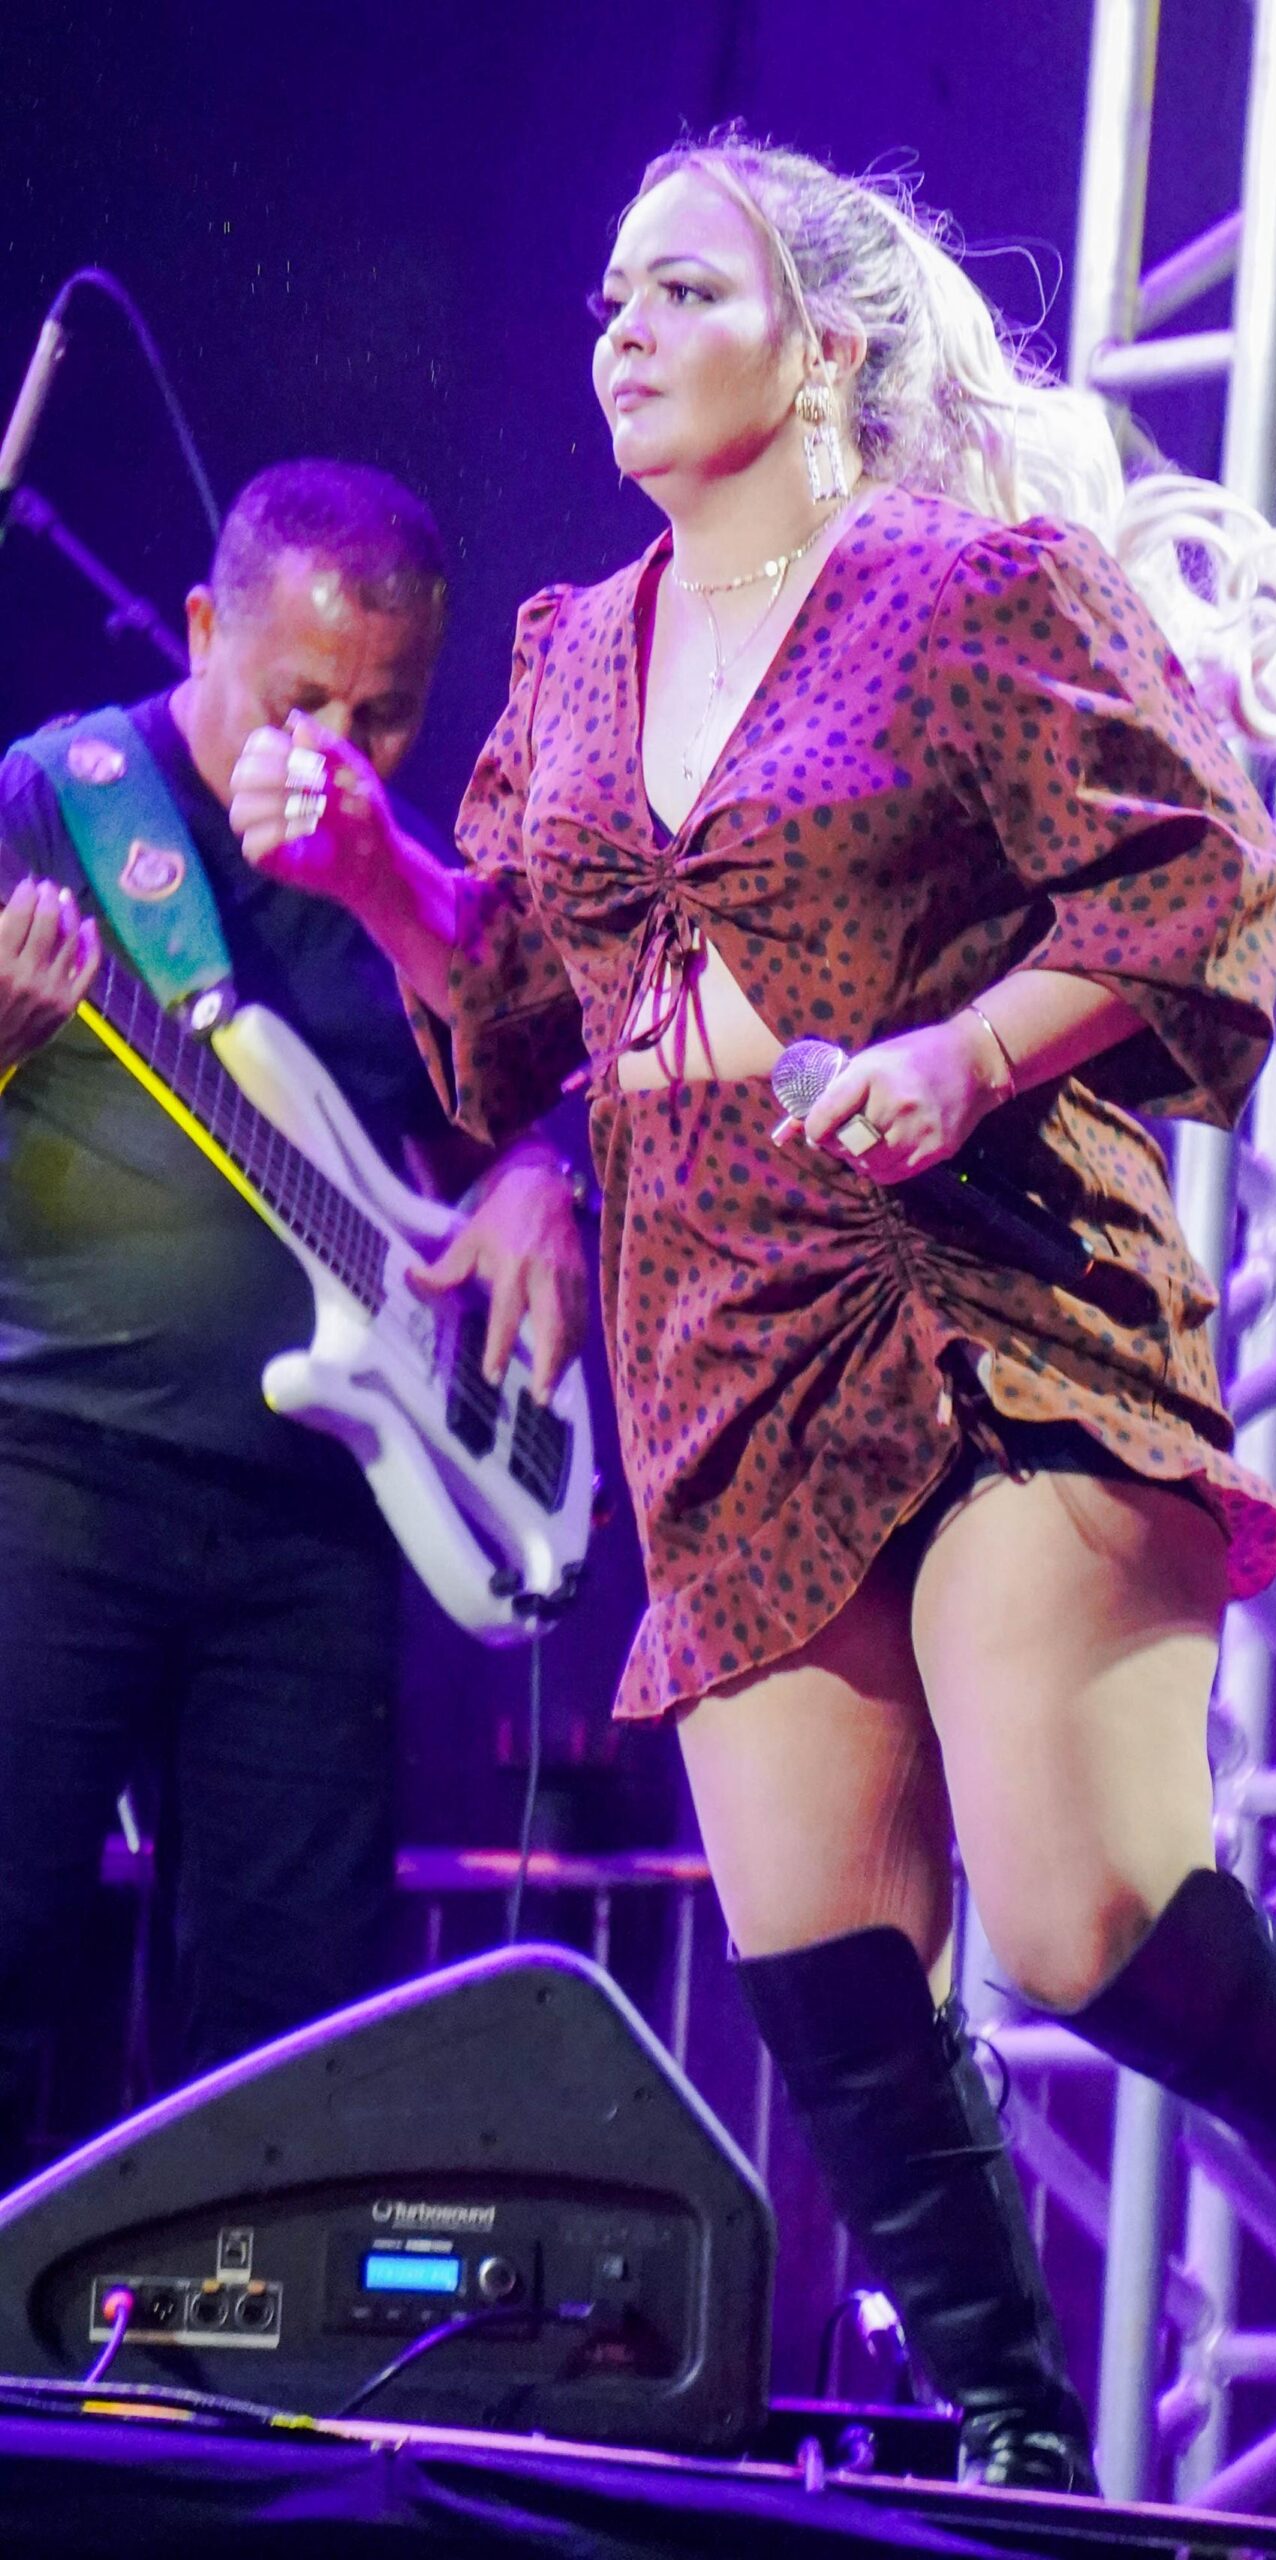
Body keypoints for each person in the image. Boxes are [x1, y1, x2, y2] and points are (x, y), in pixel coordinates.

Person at [229, 151, 1276, 2494]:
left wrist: (963, 1051)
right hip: (720, 1336)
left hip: (986, 1291)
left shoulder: (963, 587)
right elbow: (511, 1018)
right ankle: (1014, 2451)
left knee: (1079, 1918)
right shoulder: (573, 650)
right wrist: (372, 870)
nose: (618, 324)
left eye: (684, 288)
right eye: (609, 289)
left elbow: (1198, 870)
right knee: (821, 1959)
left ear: (825, 347)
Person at [0, 459, 587, 2187]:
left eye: (385, 712)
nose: (341, 748)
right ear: (202, 628)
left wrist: (537, 1174)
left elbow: (496, 1105)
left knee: (285, 2042)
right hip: (55, 1478)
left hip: (316, 1527)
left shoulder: (403, 883)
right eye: (300, 698)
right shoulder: (58, 803)